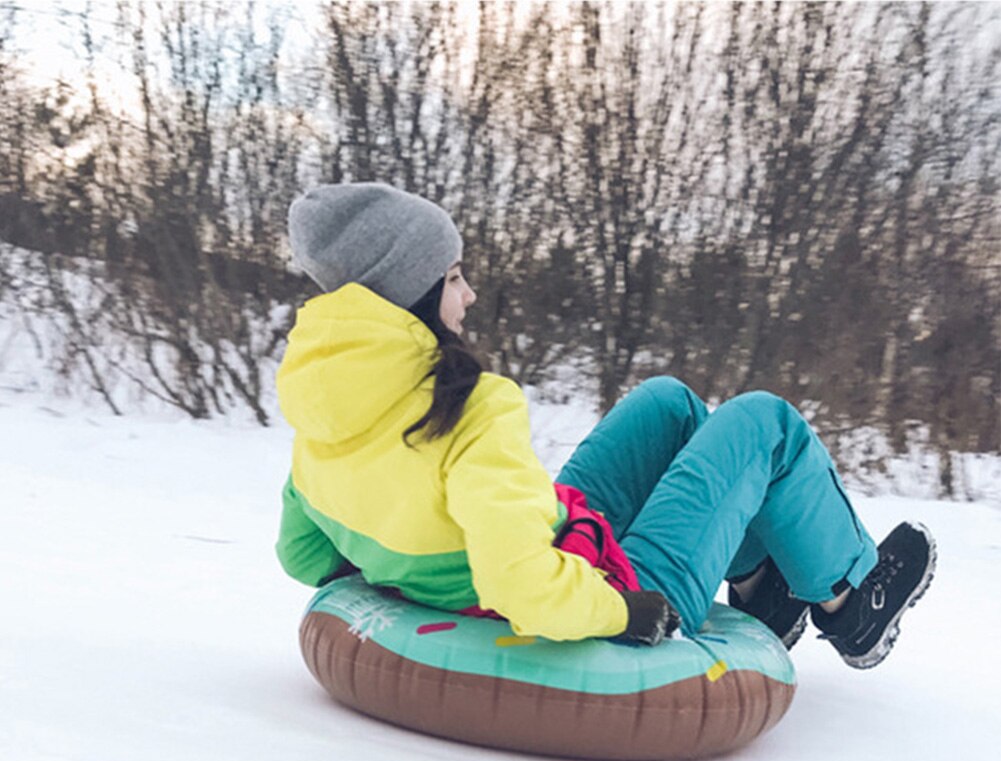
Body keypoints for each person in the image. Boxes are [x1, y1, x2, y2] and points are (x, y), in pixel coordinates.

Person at [275, 182, 936, 668]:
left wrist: (406, 561)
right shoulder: (472, 406)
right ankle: (849, 603)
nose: (469, 294)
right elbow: (518, 584)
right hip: (609, 591)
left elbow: (302, 555)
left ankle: (762, 585)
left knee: (668, 403)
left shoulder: (323, 416)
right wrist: (624, 608)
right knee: (765, 422)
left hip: (553, 542)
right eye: (453, 277)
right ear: (411, 294)